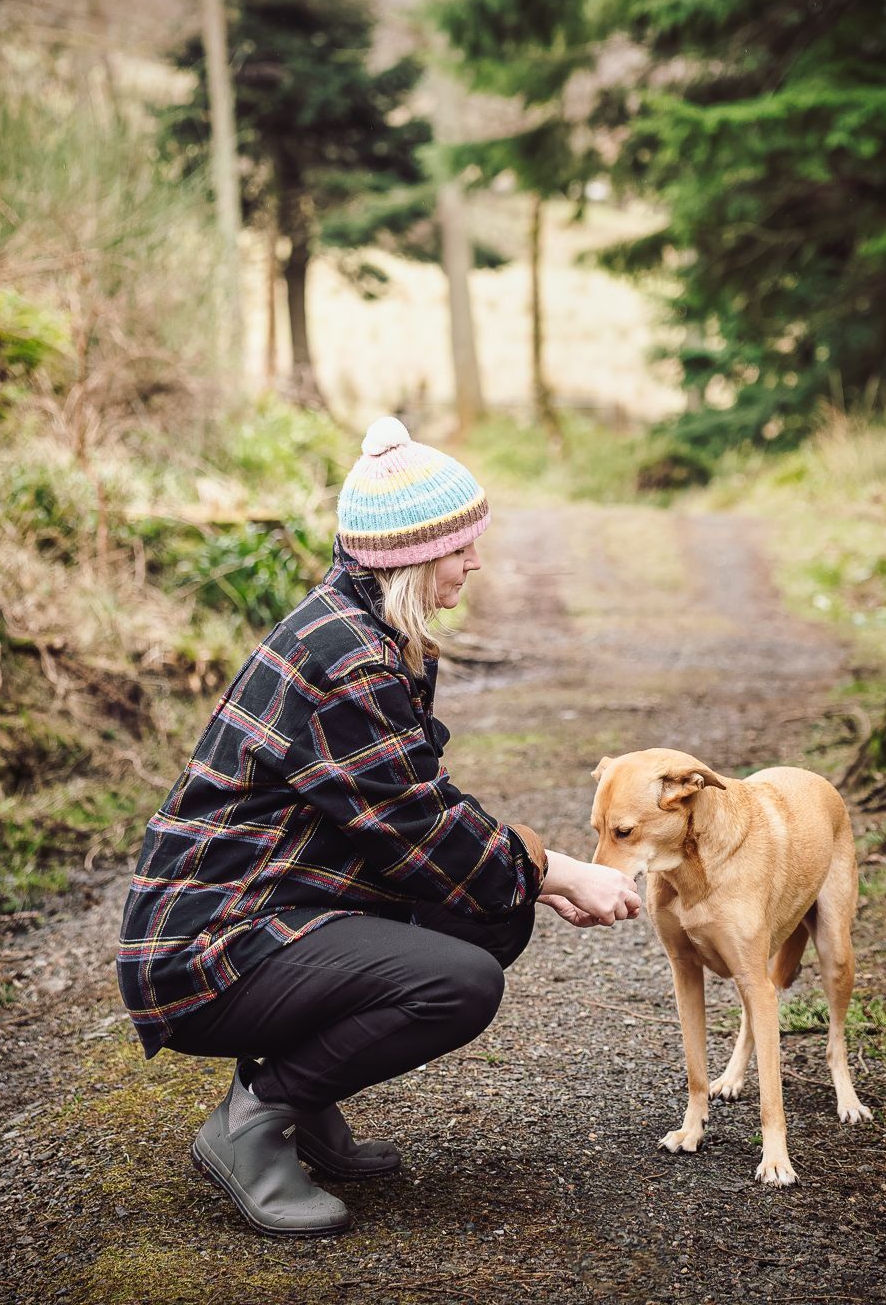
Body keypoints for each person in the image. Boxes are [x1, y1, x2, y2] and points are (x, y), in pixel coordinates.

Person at [116, 415, 641, 1238]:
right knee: (460, 981)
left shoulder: (371, 631)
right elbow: (425, 832)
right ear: (408, 554)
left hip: (276, 912)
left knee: (488, 913)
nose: (474, 560)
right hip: (206, 949)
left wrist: (528, 882)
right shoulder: (351, 659)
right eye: (459, 547)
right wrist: (558, 871)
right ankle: (253, 1122)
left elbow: (411, 808)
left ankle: (302, 1095)